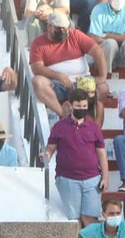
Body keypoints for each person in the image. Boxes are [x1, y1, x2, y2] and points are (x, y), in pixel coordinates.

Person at [44, 89, 108, 226]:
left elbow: (101, 153)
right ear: (71, 105)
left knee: (91, 218)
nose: (82, 109)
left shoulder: (94, 128)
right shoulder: (59, 127)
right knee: (74, 221)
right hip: (68, 179)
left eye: (84, 106)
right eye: (78, 106)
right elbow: (50, 148)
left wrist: (106, 177)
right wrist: (45, 156)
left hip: (92, 178)